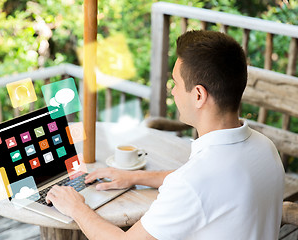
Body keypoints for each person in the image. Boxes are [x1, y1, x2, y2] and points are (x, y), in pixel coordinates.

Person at [46, 30, 285, 240]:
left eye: (176, 83)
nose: (172, 91)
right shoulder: (265, 148)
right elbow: (209, 184)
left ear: (199, 95)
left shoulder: (195, 181)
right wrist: (135, 177)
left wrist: (76, 207)